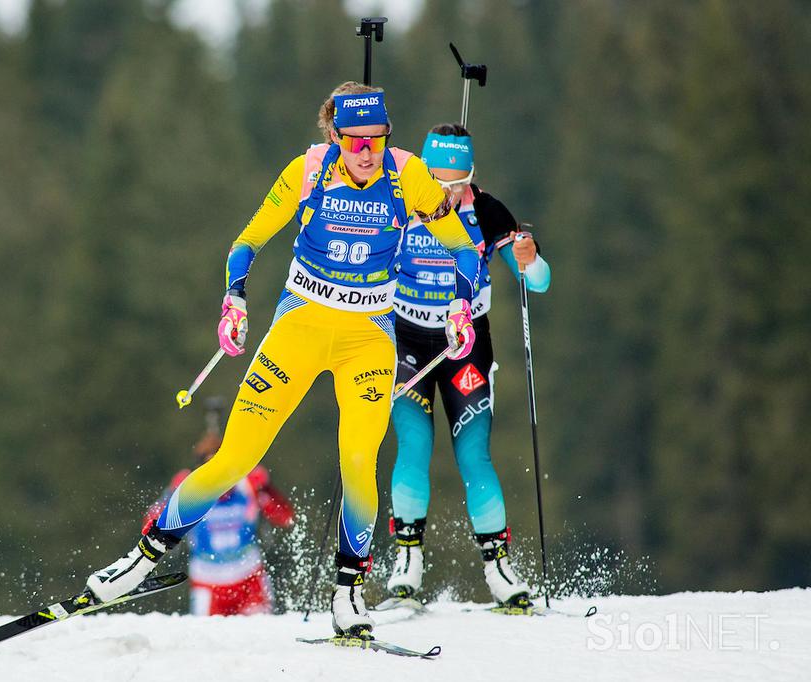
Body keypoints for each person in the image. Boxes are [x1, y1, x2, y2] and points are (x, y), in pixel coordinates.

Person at [81, 82, 484, 639]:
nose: (368, 151)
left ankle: (348, 592)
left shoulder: (409, 174)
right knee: (234, 458)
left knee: (358, 460)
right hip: (299, 327)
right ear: (335, 135)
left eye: (378, 138)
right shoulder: (309, 170)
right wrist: (235, 299)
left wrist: (460, 304)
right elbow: (247, 241)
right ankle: (142, 558)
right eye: (355, 140)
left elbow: (462, 245)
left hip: (367, 337)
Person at [386, 123, 551, 610]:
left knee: (474, 455)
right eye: (439, 182)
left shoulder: (486, 210)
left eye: (458, 183)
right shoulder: (398, 202)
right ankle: (407, 563)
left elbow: (537, 282)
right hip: (407, 342)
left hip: (466, 346)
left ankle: (499, 568)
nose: (448, 193)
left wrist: (530, 255)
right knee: (413, 445)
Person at [140, 398, 294, 616]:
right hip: (208, 583)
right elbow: (149, 523)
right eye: (210, 469)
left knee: (260, 640)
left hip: (250, 579)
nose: (219, 480)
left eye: (221, 468)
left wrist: (266, 490)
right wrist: (171, 496)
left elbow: (285, 518)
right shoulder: (188, 487)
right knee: (210, 644)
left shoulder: (248, 481)